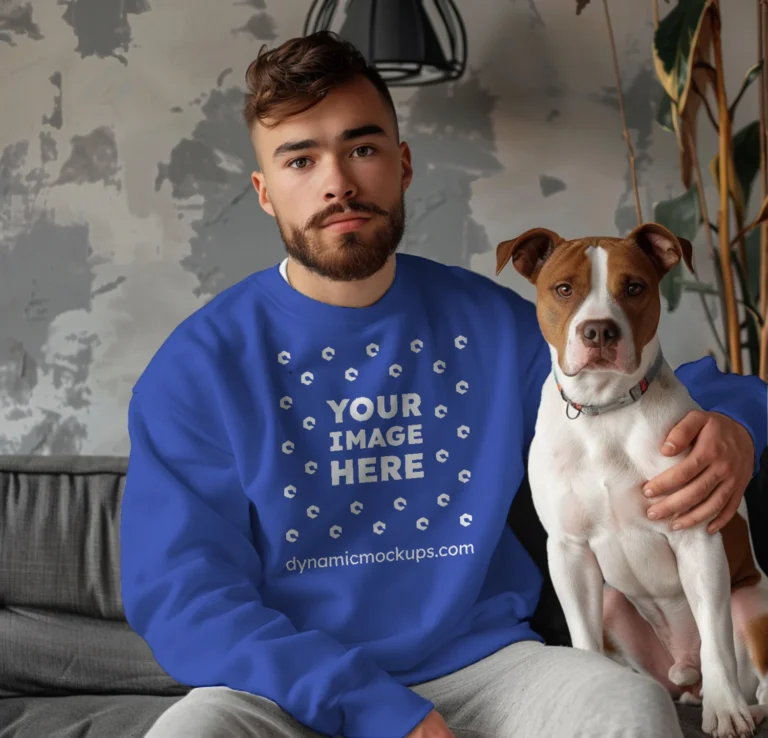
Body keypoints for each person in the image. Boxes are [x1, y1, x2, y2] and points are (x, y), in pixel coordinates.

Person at [121, 31, 767, 738]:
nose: (337, 181)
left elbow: (644, 386)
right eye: (300, 158)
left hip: (490, 669)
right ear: (265, 192)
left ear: (401, 166)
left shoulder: (490, 324)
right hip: (284, 688)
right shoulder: (198, 366)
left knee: (629, 710)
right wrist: (374, 709)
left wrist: (735, 429)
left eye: (362, 148)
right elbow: (186, 597)